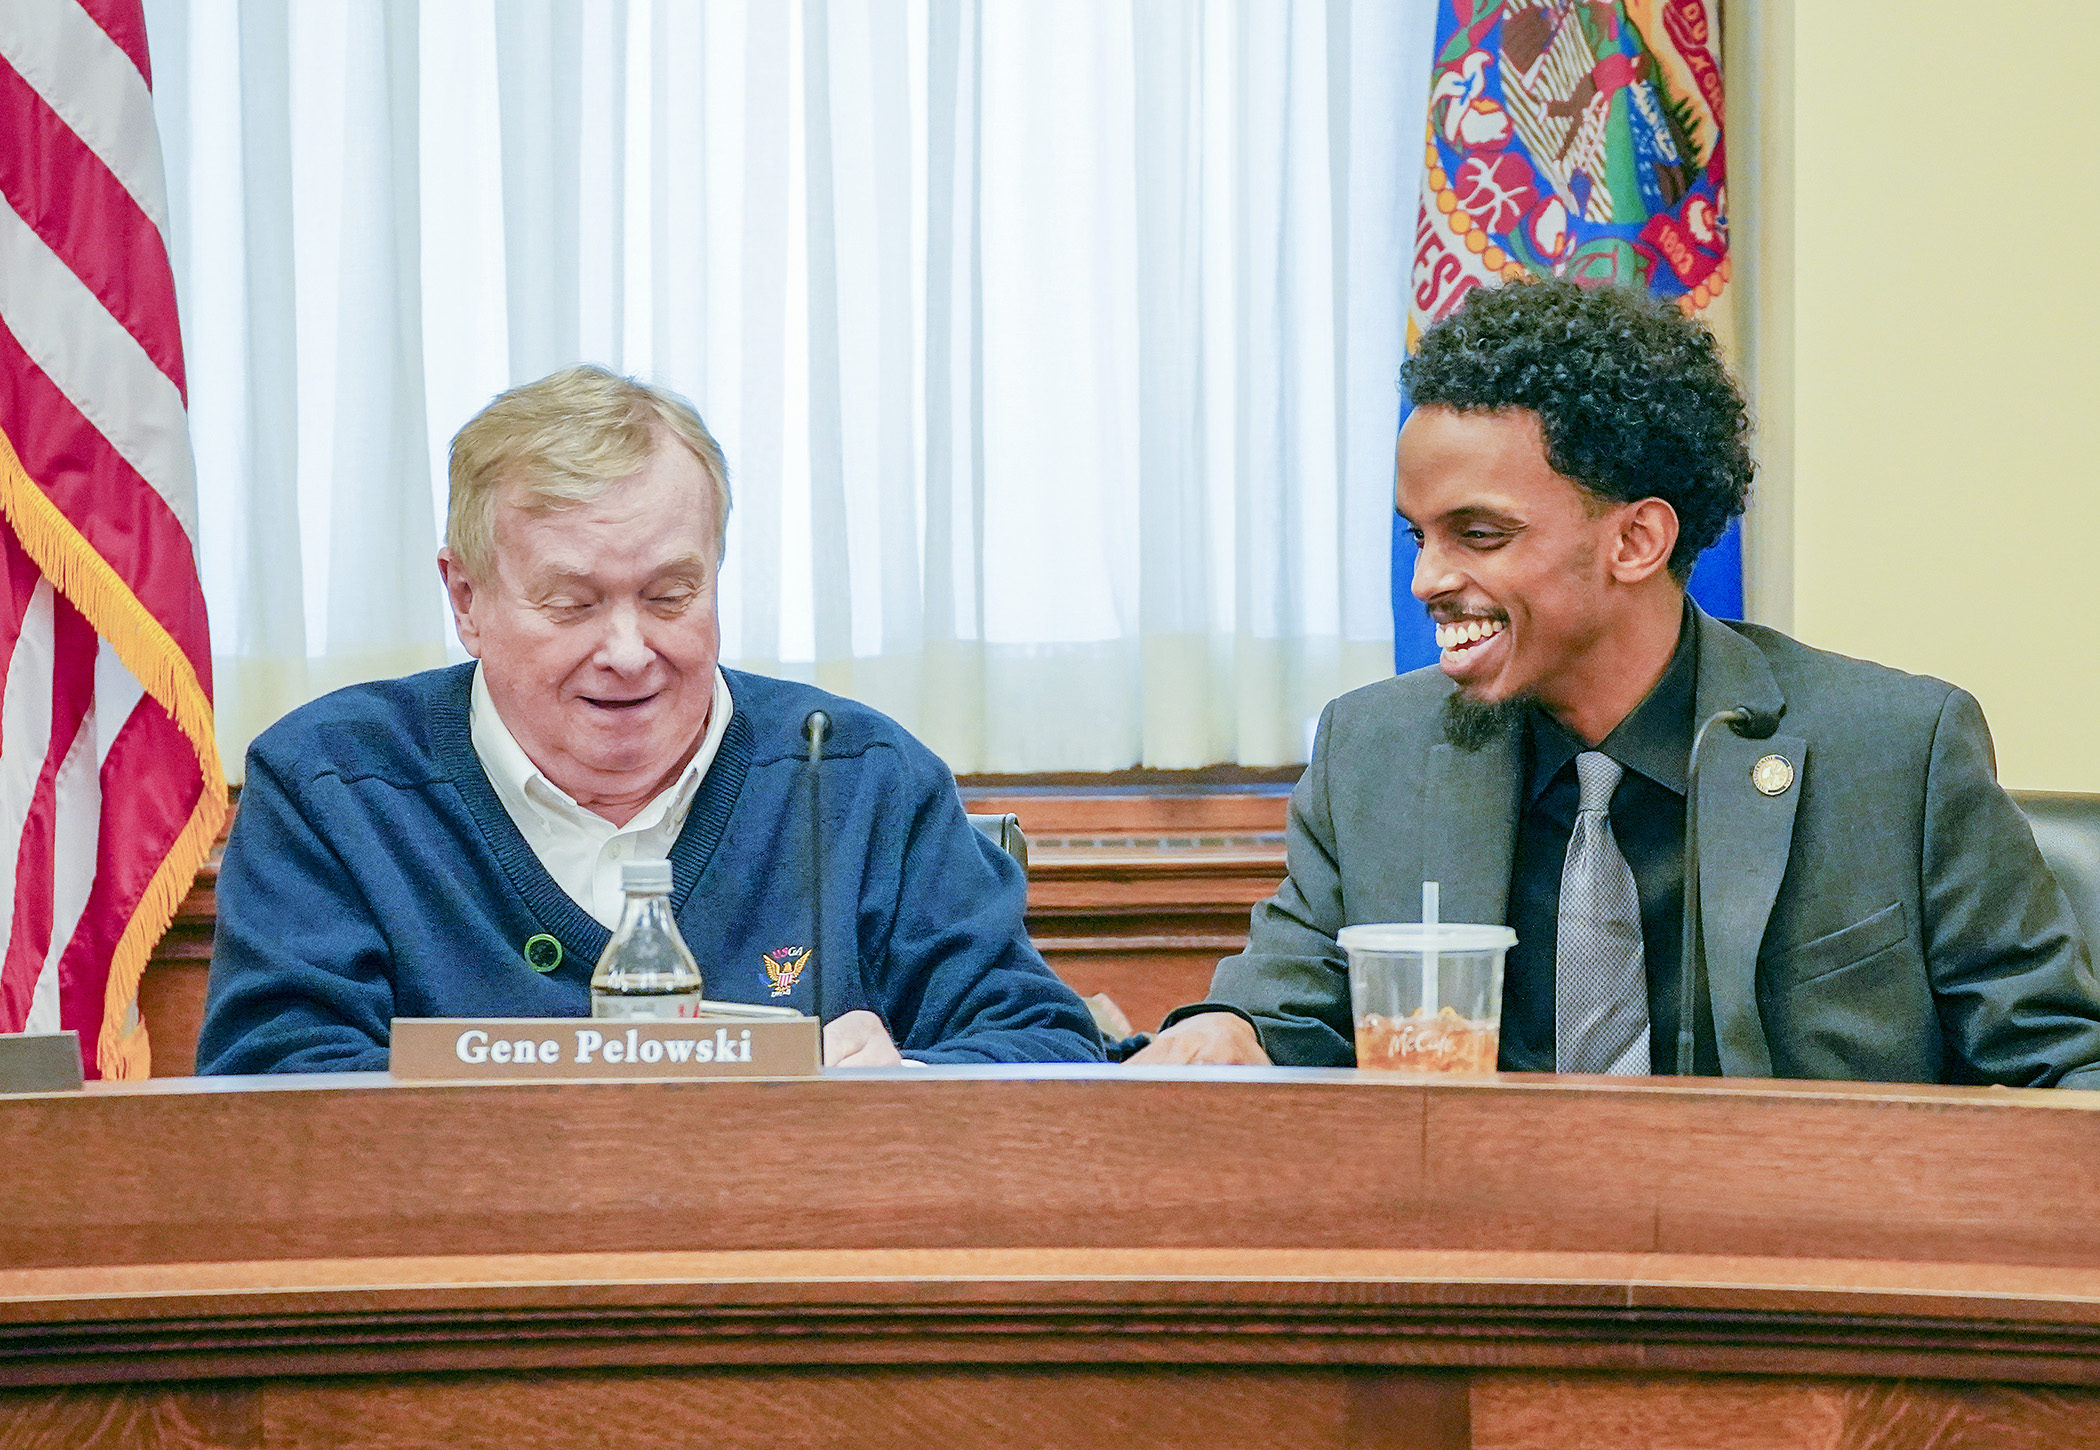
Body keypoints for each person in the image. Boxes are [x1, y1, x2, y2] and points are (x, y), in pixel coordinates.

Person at [1130, 277, 2100, 1086]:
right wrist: (1228, 1032)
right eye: (1415, 535)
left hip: (1787, 1281)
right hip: (1485, 1284)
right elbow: (1279, 1009)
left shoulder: (1896, 752)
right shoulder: (1373, 752)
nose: (1427, 580)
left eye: (1479, 534)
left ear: (1636, 539)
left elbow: (2059, 1074)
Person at [198, 366, 1103, 1072]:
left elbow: (1046, 1046)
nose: (630, 651)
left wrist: (900, 1082)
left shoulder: (862, 777)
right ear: (466, 599)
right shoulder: (331, 788)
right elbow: (275, 1096)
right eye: (573, 603)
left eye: (671, 595)